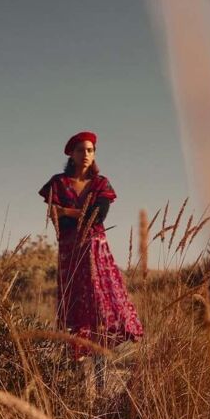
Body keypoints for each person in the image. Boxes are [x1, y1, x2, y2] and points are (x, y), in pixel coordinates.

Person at [38, 131, 143, 366]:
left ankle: (99, 367)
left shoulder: (101, 183)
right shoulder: (58, 183)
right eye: (80, 150)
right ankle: (77, 368)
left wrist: (68, 211)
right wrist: (76, 213)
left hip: (95, 250)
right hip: (70, 251)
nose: (86, 154)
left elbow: (98, 216)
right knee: (74, 305)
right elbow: (56, 218)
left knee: (99, 304)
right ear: (71, 155)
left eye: (90, 150)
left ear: (94, 154)